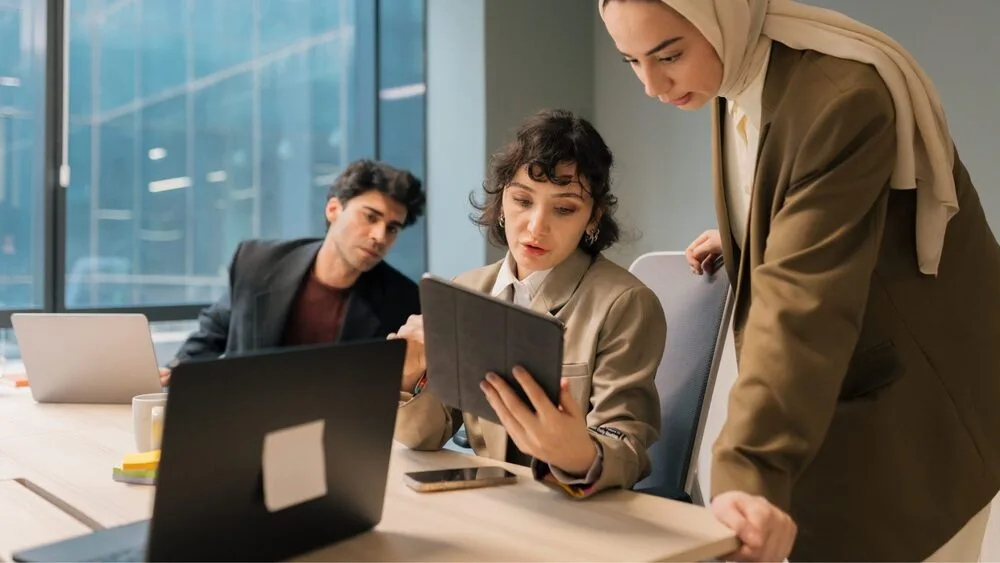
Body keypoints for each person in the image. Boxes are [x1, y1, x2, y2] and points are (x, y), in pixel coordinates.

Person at [600, 0, 1000, 561]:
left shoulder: (841, 99)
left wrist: (746, 470)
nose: (652, 84)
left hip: (920, 413)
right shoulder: (733, 68)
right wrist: (749, 232)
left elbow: (801, 306)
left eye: (668, 55)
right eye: (631, 62)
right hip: (843, 401)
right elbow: (792, 185)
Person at [391, 109, 666, 497]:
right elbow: (428, 435)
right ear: (502, 201)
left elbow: (627, 448)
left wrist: (579, 454)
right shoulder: (467, 289)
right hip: (490, 506)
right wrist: (407, 377)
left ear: (592, 218)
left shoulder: (626, 303)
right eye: (522, 200)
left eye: (564, 208)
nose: (537, 226)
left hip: (572, 514)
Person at [160, 159, 425, 386]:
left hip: (337, 434)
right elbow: (215, 329)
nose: (379, 236)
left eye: (392, 228)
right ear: (333, 209)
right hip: (244, 420)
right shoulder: (258, 262)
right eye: (370, 217)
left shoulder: (402, 300)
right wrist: (175, 373)